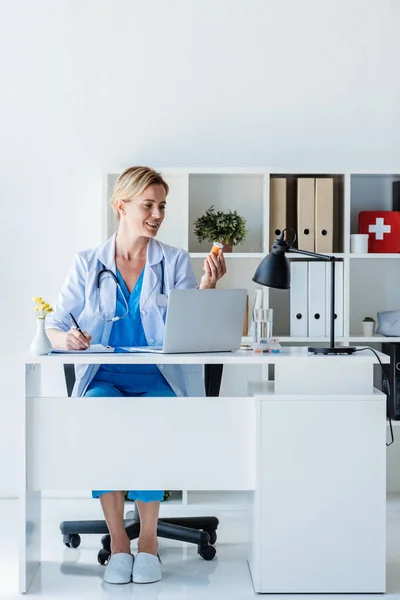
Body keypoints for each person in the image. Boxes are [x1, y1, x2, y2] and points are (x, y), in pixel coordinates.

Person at [46, 166, 227, 585]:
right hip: (105, 375)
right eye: (148, 204)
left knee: (155, 425)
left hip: (157, 378)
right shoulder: (87, 263)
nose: (157, 214)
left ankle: (147, 542)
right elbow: (54, 324)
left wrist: (205, 291)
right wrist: (67, 338)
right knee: (100, 416)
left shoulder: (175, 260)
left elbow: (192, 326)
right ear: (121, 206)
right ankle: (118, 542)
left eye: (162, 205)